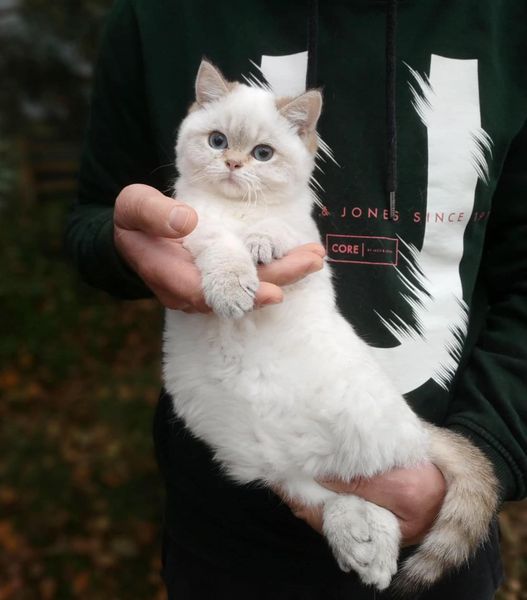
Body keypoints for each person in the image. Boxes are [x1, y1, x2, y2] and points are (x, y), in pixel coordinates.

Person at [66, 0, 527, 598]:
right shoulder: (157, 16)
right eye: (220, 144)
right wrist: (123, 242)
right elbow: (93, 218)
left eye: (257, 153)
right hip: (225, 517)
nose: (233, 163)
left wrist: (488, 449)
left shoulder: (507, 21)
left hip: (432, 490)